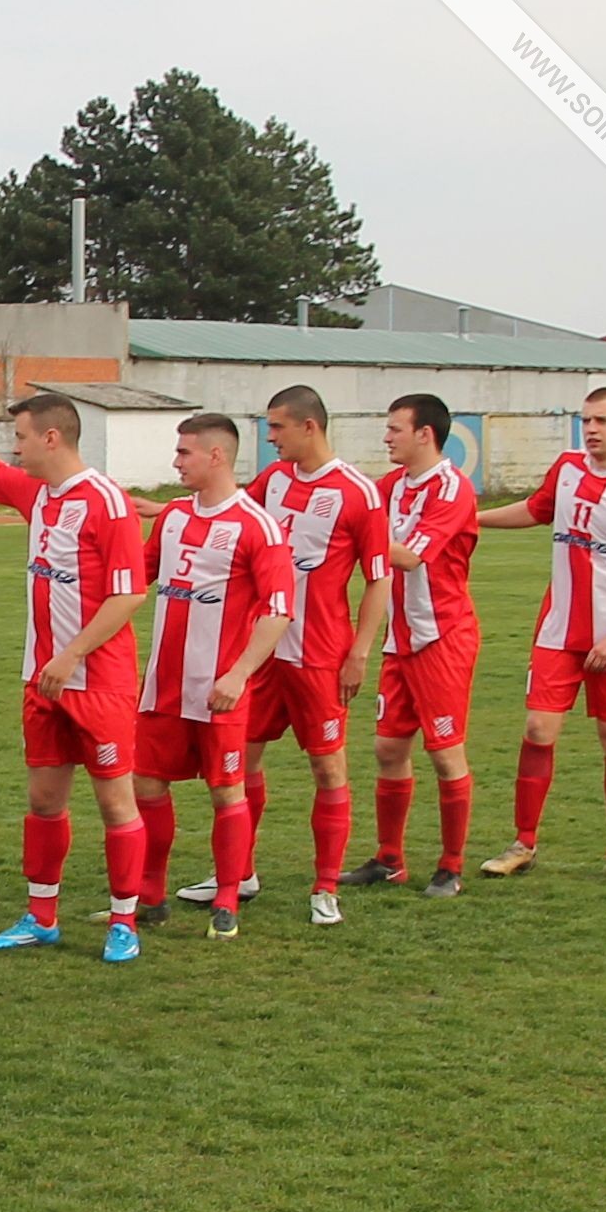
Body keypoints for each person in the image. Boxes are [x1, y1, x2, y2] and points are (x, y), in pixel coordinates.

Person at [0, 395, 152, 963]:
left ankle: (124, 920)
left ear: (52, 438)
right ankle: (41, 916)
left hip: (98, 682)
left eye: (22, 435)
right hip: (43, 681)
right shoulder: (38, 495)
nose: (16, 445)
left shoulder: (106, 501)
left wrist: (72, 654)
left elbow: (130, 592)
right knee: (43, 799)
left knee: (115, 803)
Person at [172, 386, 389, 925]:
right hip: (260, 653)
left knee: (328, 766)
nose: (269, 439)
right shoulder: (273, 482)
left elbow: (379, 579)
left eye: (277, 428)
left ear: (309, 427)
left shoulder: (358, 493)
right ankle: (239, 874)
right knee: (239, 762)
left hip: (319, 654)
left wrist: (360, 651)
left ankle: (324, 887)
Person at [475, 387, 606, 886]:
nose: (591, 429)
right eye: (585, 420)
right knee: (539, 730)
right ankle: (523, 843)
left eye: (602, 420)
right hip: (558, 631)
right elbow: (536, 510)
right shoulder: (567, 469)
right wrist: (471, 520)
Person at [134, 414, 293, 941]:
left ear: (216, 456)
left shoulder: (257, 527)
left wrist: (240, 673)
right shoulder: (174, 517)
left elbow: (277, 612)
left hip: (220, 689)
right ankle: (150, 894)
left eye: (184, 453)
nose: (176, 462)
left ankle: (228, 897)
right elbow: (137, 575)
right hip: (163, 684)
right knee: (148, 784)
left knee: (227, 791)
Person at [341, 393, 480, 898]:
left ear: (425, 434)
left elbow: (411, 557)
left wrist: (340, 542)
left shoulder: (452, 489)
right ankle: (390, 859)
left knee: (446, 753)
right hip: (399, 639)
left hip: (441, 637)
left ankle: (451, 865)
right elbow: (349, 513)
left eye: (395, 428)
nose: (386, 437)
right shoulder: (389, 487)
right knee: (388, 747)